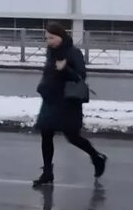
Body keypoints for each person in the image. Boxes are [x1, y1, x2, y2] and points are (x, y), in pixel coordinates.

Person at [32, 23, 107, 187]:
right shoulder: (51, 53)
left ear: (61, 37)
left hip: (67, 102)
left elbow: (80, 76)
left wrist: (65, 68)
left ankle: (96, 157)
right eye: (47, 38)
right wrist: (43, 87)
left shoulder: (73, 53)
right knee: (46, 135)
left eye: (52, 38)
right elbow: (50, 74)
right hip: (51, 100)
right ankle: (47, 172)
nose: (49, 41)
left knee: (72, 137)